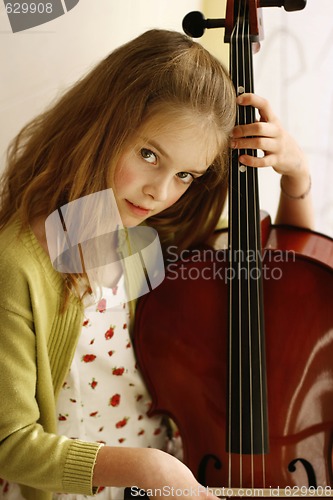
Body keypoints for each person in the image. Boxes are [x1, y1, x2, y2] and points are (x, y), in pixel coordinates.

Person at [0, 28, 313, 500]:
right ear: (102, 123)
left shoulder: (155, 238)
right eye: (149, 155)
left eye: (185, 174)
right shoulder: (21, 264)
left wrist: (297, 176)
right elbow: (11, 444)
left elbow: (291, 284)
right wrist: (148, 469)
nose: (161, 192)